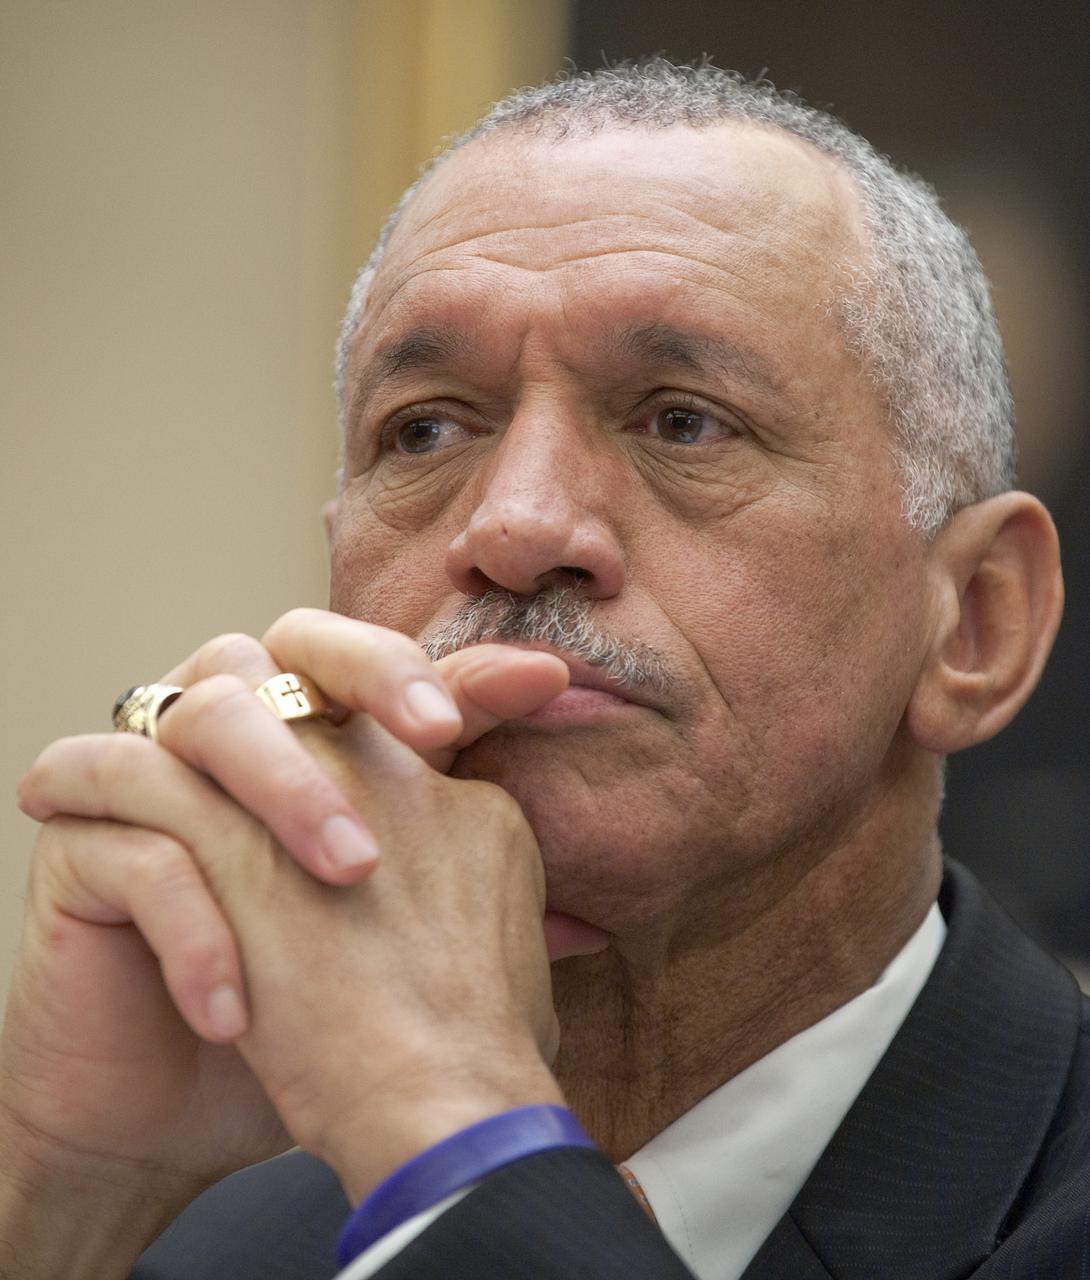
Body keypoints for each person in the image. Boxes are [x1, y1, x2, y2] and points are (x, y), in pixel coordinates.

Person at [2, 60, 1085, 1280]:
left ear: (974, 621)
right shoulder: (221, 1234)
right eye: (427, 428)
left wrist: (453, 1128)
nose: (513, 526)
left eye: (683, 419)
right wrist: (70, 1194)